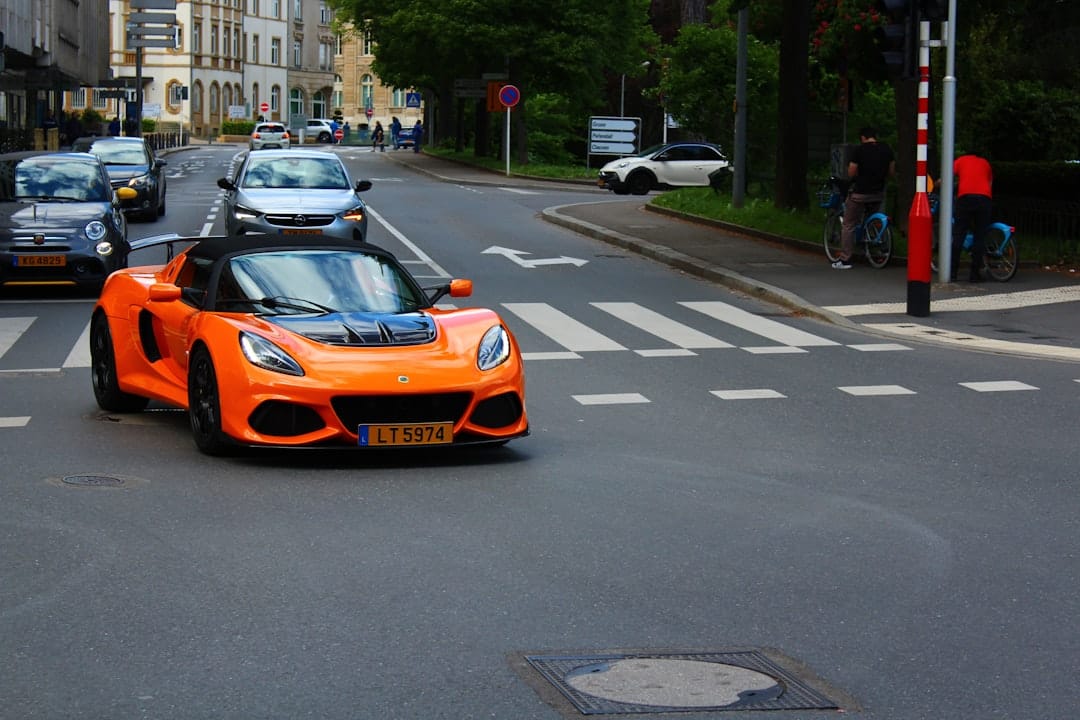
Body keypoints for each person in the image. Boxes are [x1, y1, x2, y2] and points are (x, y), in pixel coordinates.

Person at [834, 126, 895, 270]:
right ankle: (880, 248)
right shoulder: (886, 149)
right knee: (874, 218)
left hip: (860, 194)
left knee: (848, 224)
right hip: (878, 193)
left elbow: (851, 172)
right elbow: (891, 171)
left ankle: (845, 259)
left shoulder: (859, 150)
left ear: (862, 137)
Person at [951, 152, 993, 282]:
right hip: (984, 199)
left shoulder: (960, 161)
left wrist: (936, 184)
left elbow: (947, 176)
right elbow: (989, 182)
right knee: (979, 236)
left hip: (965, 198)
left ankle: (952, 273)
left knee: (959, 234)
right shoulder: (985, 163)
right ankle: (974, 275)